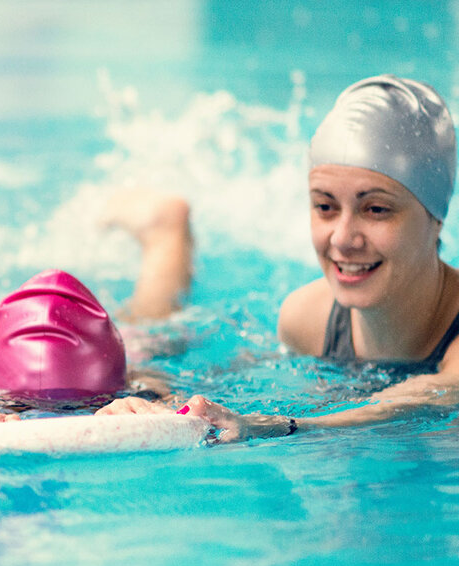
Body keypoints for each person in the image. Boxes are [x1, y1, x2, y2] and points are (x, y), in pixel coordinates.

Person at [111, 74, 459, 442]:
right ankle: (167, 234)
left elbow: (423, 397)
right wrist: (148, 399)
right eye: (325, 206)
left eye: (375, 209)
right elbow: (207, 388)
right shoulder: (307, 319)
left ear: (436, 217)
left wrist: (275, 427)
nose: (342, 238)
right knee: (156, 337)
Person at [0, 195, 193, 436]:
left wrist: (145, 409)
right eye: (19, 406)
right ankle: (164, 229)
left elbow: (183, 411)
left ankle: (165, 230)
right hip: (96, 354)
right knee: (148, 319)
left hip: (129, 352)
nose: (45, 415)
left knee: (152, 326)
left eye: (88, 404)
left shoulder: (138, 380)